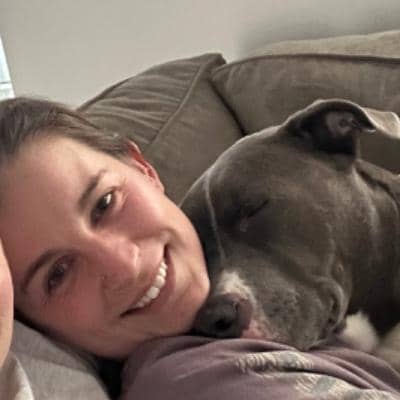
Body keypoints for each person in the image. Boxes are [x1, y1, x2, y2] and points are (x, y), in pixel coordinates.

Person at [1, 97, 400, 400]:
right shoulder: (192, 379)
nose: (125, 266)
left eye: (105, 203)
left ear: (142, 168)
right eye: (58, 274)